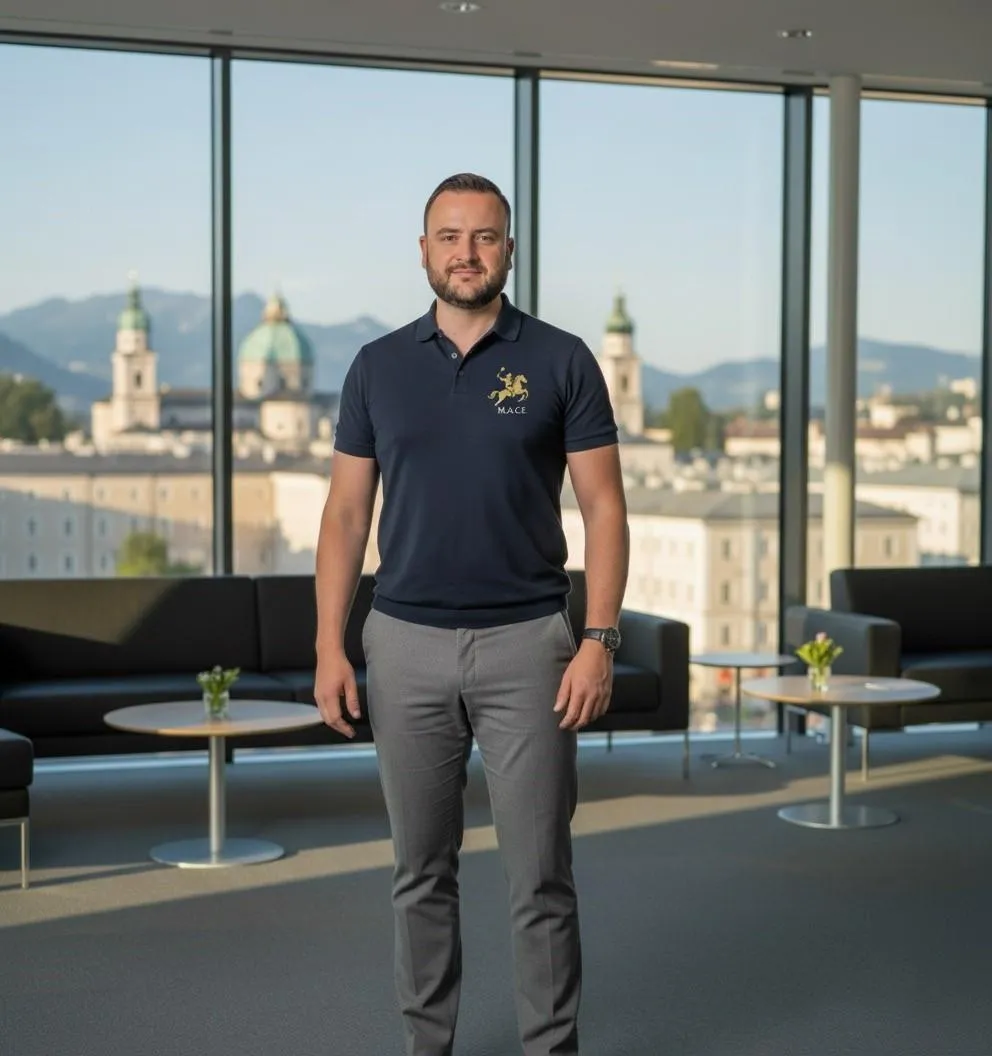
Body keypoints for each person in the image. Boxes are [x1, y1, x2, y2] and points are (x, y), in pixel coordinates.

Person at [314, 172, 629, 1056]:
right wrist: (329, 647)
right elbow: (344, 516)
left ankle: (550, 1047)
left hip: (530, 646)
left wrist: (598, 638)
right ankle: (429, 1046)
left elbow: (604, 507)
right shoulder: (375, 366)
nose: (466, 252)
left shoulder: (563, 359)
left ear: (510, 250)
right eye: (449, 236)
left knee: (540, 876)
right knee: (420, 874)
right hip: (403, 644)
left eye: (484, 236)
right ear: (423, 250)